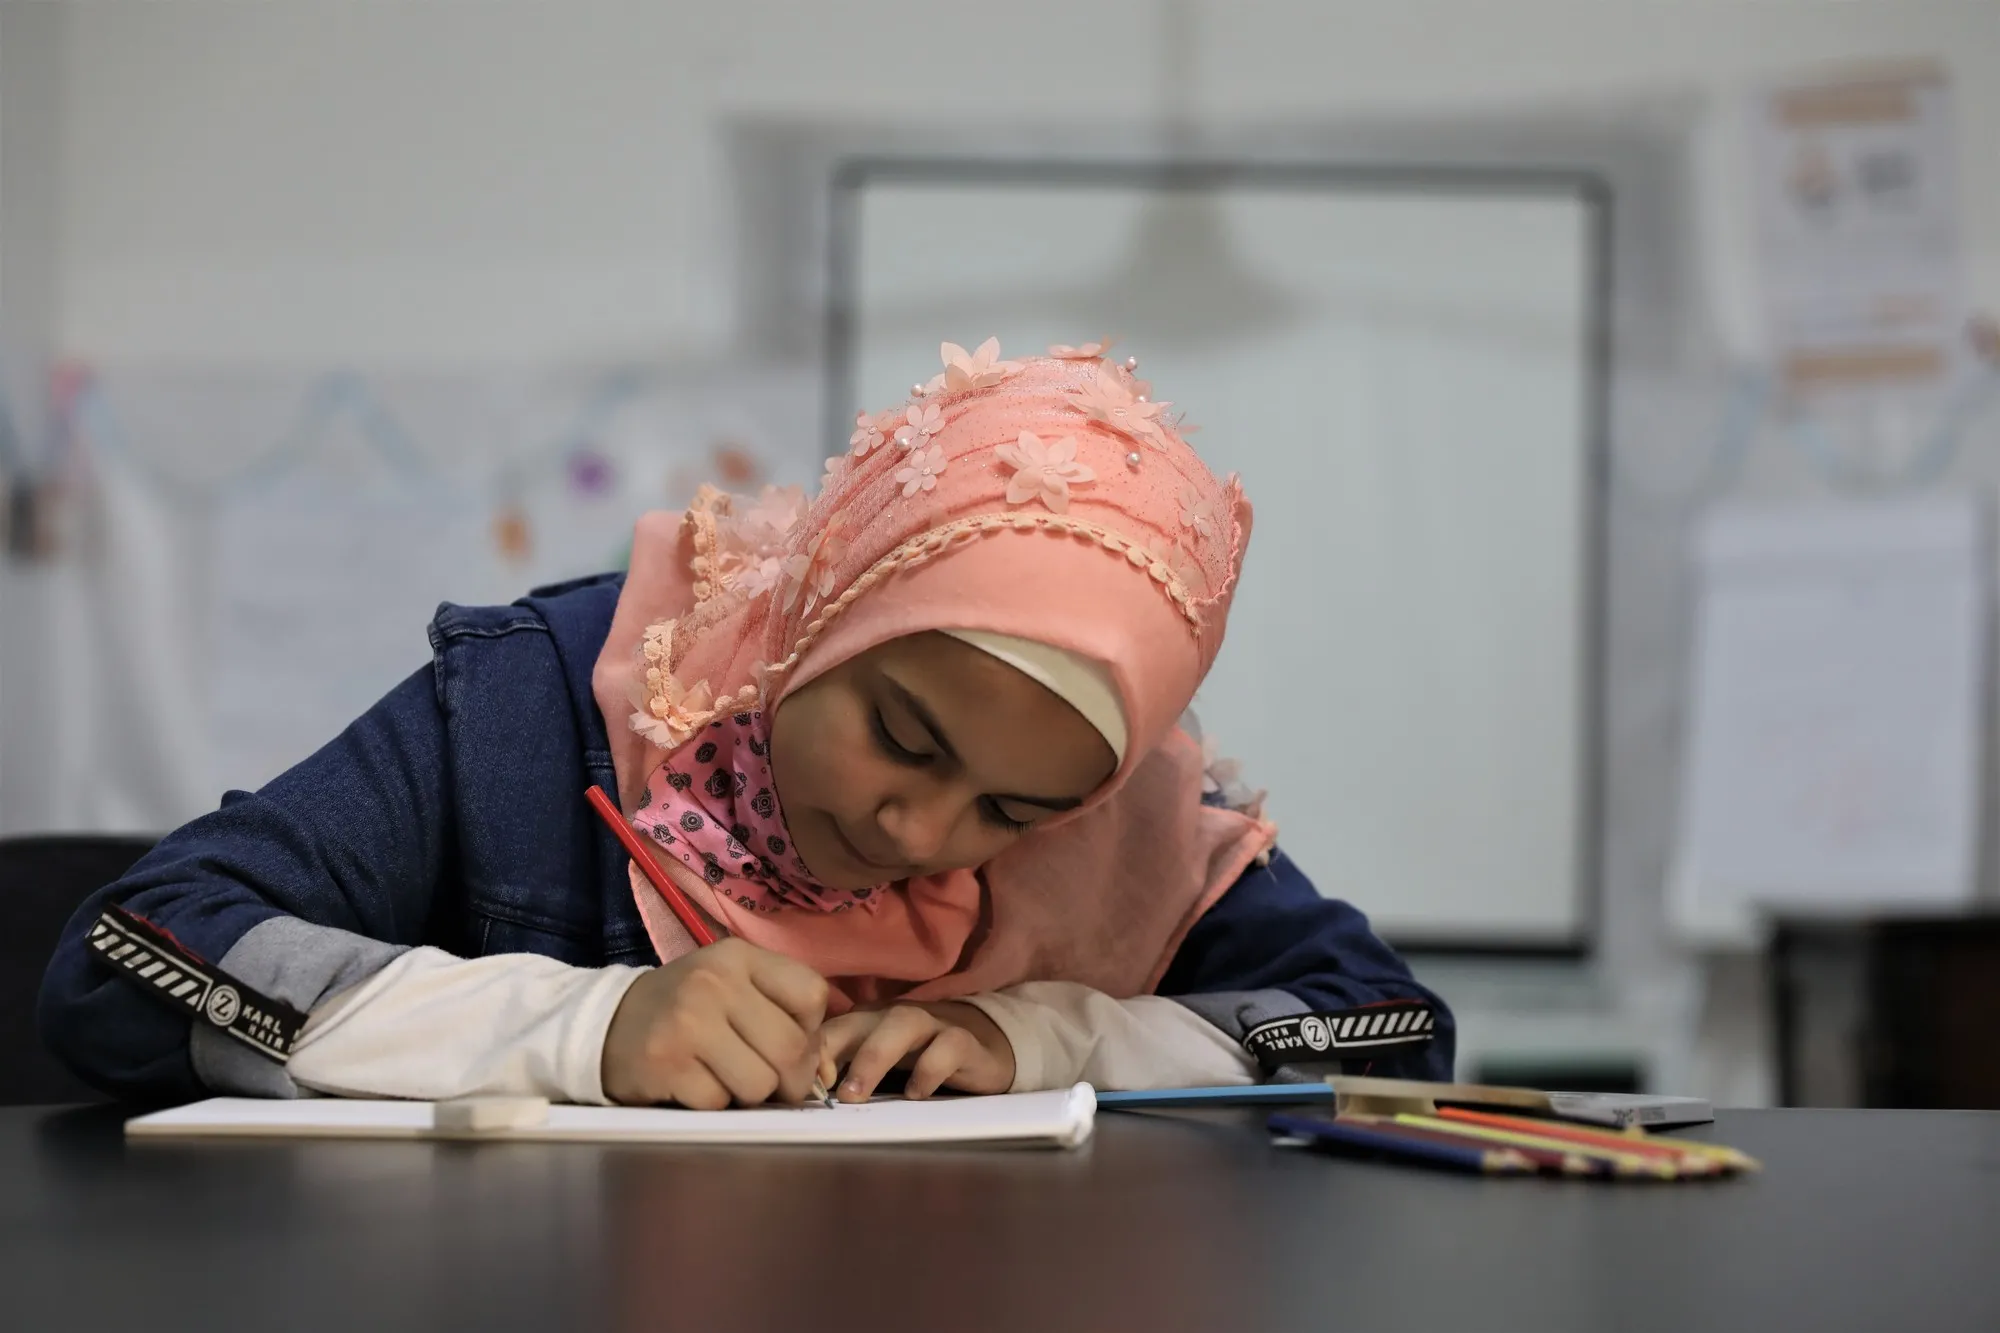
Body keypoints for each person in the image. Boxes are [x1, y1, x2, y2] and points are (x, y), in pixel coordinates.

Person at [40, 339, 1453, 1107]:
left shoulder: (1125, 815)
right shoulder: (546, 698)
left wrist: (1055, 1037)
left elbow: (1388, 1031)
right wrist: (580, 1028)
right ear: (827, 611)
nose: (919, 833)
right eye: (904, 736)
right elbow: (131, 959)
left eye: (1013, 813)